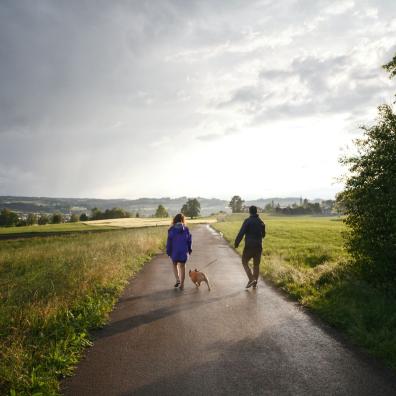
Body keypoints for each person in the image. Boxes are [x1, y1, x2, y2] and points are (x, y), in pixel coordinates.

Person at [234, 206, 266, 289]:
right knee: (256, 265)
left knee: (244, 262)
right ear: (256, 211)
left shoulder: (247, 221)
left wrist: (236, 242)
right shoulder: (261, 222)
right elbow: (263, 235)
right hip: (259, 246)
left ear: (250, 212)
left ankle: (251, 279)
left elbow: (241, 233)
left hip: (249, 246)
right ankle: (254, 283)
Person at [166, 213, 192, 290]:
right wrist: (189, 250)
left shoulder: (171, 229)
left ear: (175, 220)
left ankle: (177, 279)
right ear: (182, 220)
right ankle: (182, 285)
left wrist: (168, 251)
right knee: (182, 267)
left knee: (174, 264)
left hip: (175, 252)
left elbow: (169, 243)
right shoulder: (186, 229)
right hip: (184, 252)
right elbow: (189, 240)